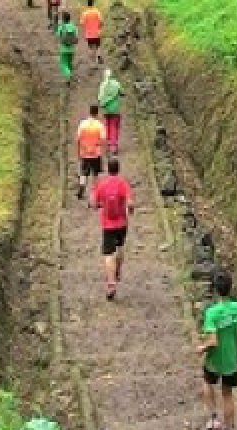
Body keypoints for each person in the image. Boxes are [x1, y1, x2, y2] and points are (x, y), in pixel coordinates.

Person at [196, 271, 237, 430]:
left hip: (214, 360)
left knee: (207, 383)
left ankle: (213, 418)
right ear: (231, 288)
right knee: (228, 394)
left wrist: (201, 348)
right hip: (232, 359)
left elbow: (213, 341)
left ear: (214, 290)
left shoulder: (212, 313)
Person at [90, 158, 134, 300]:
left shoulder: (102, 185)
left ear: (108, 169)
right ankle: (118, 270)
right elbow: (130, 202)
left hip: (108, 225)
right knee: (120, 249)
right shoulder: (123, 184)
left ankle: (111, 284)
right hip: (122, 224)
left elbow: (94, 203)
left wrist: (98, 206)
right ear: (118, 169)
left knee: (108, 255)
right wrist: (130, 211)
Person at [76, 105, 106, 201]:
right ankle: (95, 193)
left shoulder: (83, 124)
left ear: (89, 112)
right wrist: (102, 151)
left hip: (84, 152)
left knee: (83, 172)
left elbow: (78, 138)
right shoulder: (99, 125)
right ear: (97, 113)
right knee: (95, 174)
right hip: (96, 153)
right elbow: (103, 139)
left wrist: (78, 151)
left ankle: (81, 188)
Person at [98, 69, 124, 155]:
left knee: (108, 126)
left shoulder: (103, 85)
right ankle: (113, 146)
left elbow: (99, 98)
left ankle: (108, 144)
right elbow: (122, 92)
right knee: (114, 127)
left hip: (106, 109)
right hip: (115, 109)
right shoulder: (116, 83)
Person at [55, 11, 78, 85]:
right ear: (69, 18)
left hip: (63, 49)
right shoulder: (73, 26)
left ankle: (68, 76)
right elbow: (76, 37)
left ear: (63, 19)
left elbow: (58, 36)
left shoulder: (61, 27)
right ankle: (70, 75)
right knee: (70, 63)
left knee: (64, 64)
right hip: (72, 49)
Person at [81, 0, 104, 66]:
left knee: (90, 48)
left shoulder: (85, 13)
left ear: (87, 4)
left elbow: (82, 23)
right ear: (93, 3)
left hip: (88, 34)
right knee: (98, 46)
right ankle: (98, 56)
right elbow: (101, 22)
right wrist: (99, 28)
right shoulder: (97, 12)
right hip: (97, 33)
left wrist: (87, 27)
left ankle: (92, 63)